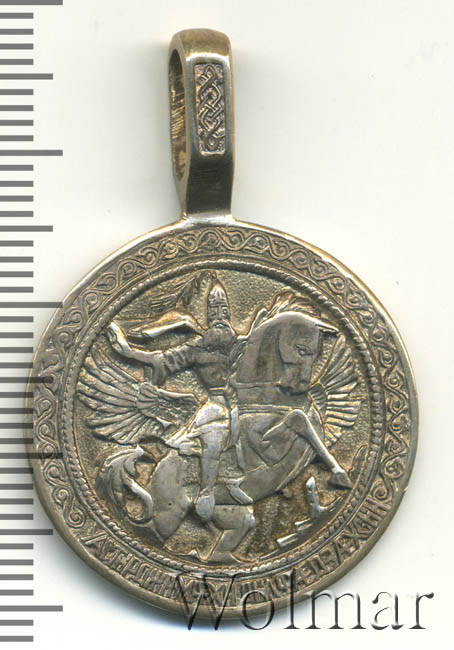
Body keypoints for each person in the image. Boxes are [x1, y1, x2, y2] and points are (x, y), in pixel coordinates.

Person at [107, 277, 245, 524]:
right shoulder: (197, 348)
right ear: (208, 317)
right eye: (214, 312)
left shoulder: (244, 344)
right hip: (216, 406)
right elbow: (162, 360)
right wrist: (128, 351)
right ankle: (206, 494)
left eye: (224, 311)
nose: (220, 317)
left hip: (246, 403)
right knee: (214, 438)